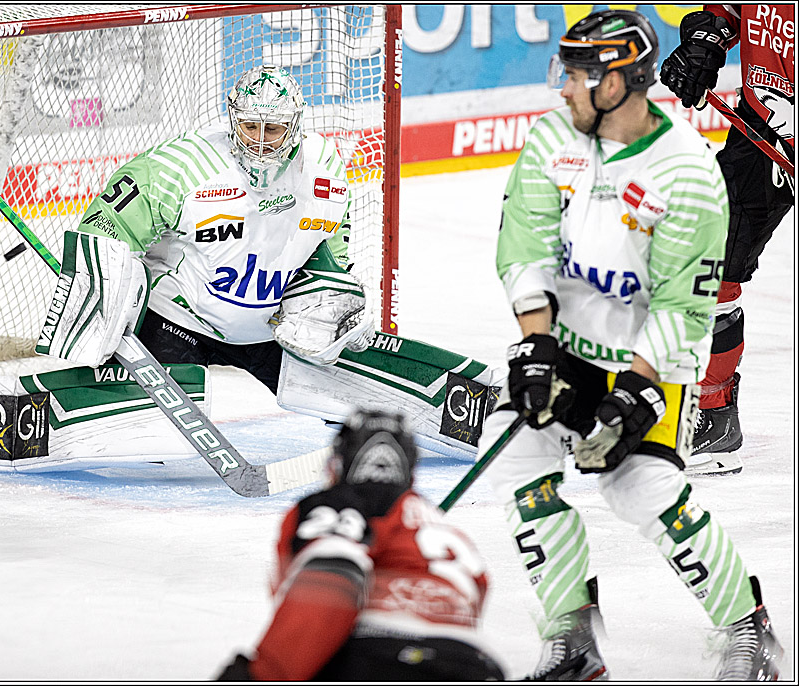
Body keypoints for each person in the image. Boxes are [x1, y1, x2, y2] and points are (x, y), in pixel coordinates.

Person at [479, 9, 783, 680]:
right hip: (567, 347)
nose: (563, 87)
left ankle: (748, 628)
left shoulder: (688, 173)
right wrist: (536, 345)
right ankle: (572, 637)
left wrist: (638, 389)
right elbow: (523, 246)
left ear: (616, 82)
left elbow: (684, 305)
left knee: (639, 487)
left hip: (651, 361)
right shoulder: (552, 137)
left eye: (577, 75)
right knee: (513, 454)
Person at [46, 63, 373, 393]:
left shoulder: (324, 168)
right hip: (180, 321)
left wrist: (338, 297)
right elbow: (107, 227)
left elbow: (330, 248)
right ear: (233, 120)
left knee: (353, 403)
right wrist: (101, 299)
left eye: (272, 129)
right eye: (250, 126)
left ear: (294, 126)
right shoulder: (183, 165)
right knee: (154, 421)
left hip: (271, 329)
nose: (260, 142)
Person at [215, 408, 505, 681]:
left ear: (338, 463)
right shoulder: (444, 529)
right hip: (475, 665)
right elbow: (476, 593)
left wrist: (264, 674)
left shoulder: (338, 505)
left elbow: (330, 582)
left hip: (378, 657)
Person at [659, 5, 795, 475]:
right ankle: (712, 418)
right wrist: (706, 43)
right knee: (706, 259)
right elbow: (730, 11)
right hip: (762, 131)